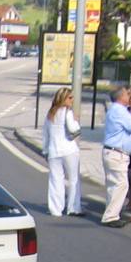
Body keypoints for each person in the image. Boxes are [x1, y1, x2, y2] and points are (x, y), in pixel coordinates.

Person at [99, 85, 131, 227]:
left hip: (112, 152)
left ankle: (111, 213)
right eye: (127, 94)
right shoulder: (120, 111)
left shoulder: (115, 110)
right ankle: (111, 216)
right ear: (120, 97)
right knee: (121, 185)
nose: (129, 96)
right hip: (117, 154)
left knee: (113, 185)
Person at [43, 86, 82, 217]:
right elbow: (73, 129)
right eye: (70, 97)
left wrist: (45, 150)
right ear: (63, 99)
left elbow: (46, 134)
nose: (72, 100)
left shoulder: (50, 113)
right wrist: (76, 122)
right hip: (69, 150)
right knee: (73, 180)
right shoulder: (67, 112)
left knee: (55, 180)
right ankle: (73, 208)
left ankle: (55, 209)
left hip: (54, 151)